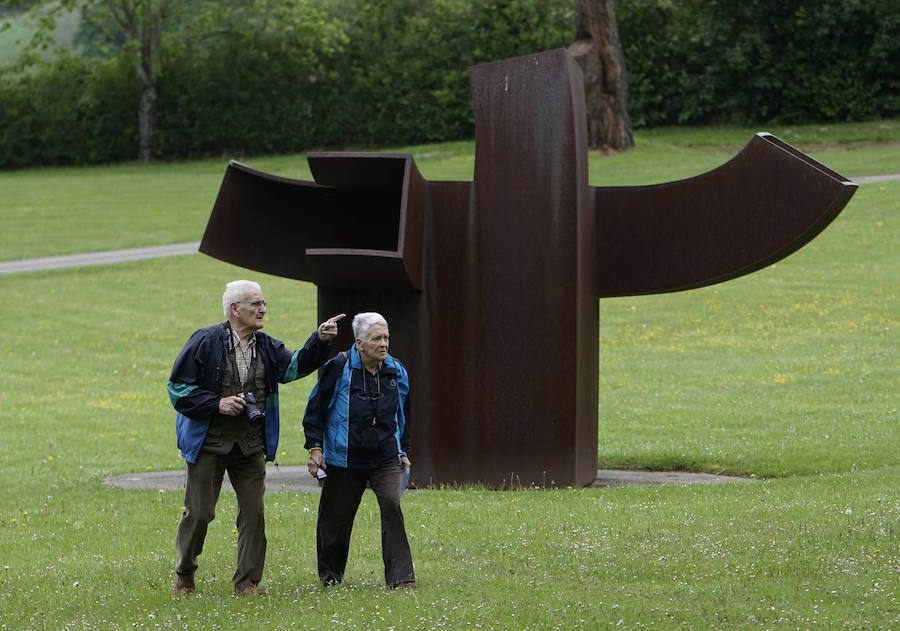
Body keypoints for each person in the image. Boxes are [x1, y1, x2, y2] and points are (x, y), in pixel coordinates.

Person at [167, 279, 344, 596]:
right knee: (200, 513)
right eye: (256, 303)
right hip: (209, 443)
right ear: (235, 309)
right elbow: (177, 390)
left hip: (250, 446)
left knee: (254, 513)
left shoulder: (267, 346)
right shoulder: (205, 341)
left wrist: (319, 340)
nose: (263, 309)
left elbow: (292, 368)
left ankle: (247, 582)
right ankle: (185, 571)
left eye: (264, 303)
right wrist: (216, 403)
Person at [303, 312, 416, 588]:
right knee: (336, 519)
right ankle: (330, 577)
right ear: (359, 343)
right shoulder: (339, 367)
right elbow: (315, 408)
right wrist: (315, 448)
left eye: (386, 337)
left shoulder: (396, 371)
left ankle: (401, 579)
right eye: (377, 338)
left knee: (392, 505)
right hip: (344, 458)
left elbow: (404, 412)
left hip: (385, 456)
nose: (384, 343)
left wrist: (402, 449)